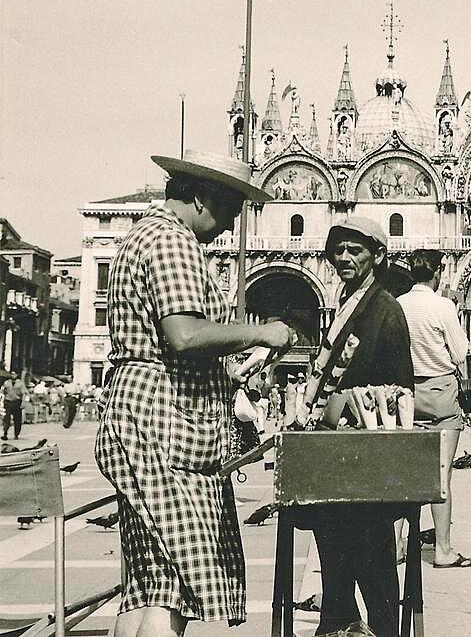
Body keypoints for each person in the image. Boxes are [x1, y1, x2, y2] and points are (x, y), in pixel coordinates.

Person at [94, 150, 295, 637]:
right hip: (164, 426)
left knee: (152, 585)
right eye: (231, 211)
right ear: (204, 198)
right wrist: (260, 334)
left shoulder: (142, 236)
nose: (230, 227)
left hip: (145, 418)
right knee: (183, 581)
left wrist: (228, 375)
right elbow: (183, 334)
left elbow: (168, 343)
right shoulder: (172, 242)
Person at [303, 217, 414, 636]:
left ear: (378, 256)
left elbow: (400, 390)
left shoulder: (386, 311)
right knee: (335, 551)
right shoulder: (348, 302)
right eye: (339, 250)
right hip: (337, 455)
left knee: (374, 561)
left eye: (356, 250)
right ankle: (338, 622)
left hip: (366, 456)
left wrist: (340, 404)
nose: (344, 258)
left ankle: (381, 630)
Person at [397, 249, 471, 570]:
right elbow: (460, 353)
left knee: (403, 475)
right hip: (441, 394)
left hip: (406, 397)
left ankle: (396, 546)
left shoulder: (398, 305)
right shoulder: (442, 306)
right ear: (438, 272)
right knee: (441, 474)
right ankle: (442, 550)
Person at [2, 374, 29, 441]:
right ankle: (5, 433)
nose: (13, 375)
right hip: (8, 402)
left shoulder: (20, 383)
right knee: (6, 418)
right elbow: (3, 391)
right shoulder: (7, 382)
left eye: (14, 374)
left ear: (17, 375)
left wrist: (23, 402)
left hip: (16, 402)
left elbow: (24, 393)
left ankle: (16, 434)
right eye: (12, 374)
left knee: (17, 419)